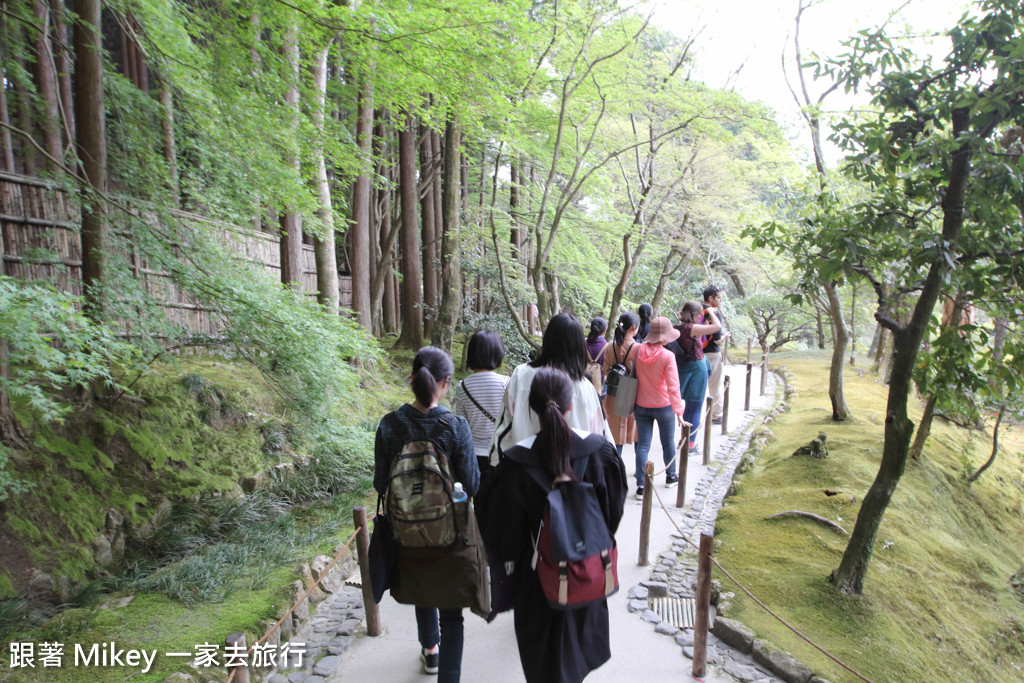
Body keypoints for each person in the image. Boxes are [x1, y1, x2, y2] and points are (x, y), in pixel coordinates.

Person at [476, 368, 627, 683]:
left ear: (531, 408)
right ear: (571, 405)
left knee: (545, 667)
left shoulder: (514, 465)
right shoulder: (600, 453)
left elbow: (501, 538)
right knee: (576, 661)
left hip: (537, 586)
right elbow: (611, 515)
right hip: (587, 573)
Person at [374, 346, 479, 681]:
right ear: (445, 383)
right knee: (452, 613)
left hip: (405, 532)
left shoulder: (389, 425)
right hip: (448, 531)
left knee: (423, 587)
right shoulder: (455, 426)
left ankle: (429, 650)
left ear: (412, 377)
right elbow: (472, 483)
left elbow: (380, 484)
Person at [488, 313, 612, 464]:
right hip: (573, 479)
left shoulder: (521, 375)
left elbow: (504, 429)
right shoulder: (585, 389)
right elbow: (601, 440)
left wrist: (495, 468)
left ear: (547, 340)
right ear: (579, 346)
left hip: (523, 475)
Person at [632, 316, 684, 498]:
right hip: (664, 406)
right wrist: (679, 412)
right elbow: (673, 386)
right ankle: (671, 477)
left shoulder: (637, 351)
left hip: (641, 404)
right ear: (664, 338)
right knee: (667, 442)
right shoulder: (668, 356)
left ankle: (640, 485)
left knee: (643, 446)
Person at [666, 301, 721, 451]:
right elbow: (717, 327)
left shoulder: (676, 327)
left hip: (681, 367)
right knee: (695, 406)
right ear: (695, 314)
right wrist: (709, 311)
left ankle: (674, 439)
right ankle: (689, 444)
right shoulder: (692, 328)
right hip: (696, 368)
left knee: (676, 403)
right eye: (699, 315)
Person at [455, 330, 509, 476]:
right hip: (502, 452)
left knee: (480, 497)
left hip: (475, 454)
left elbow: (461, 425)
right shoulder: (506, 383)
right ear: (498, 353)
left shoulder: (462, 386)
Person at [601, 312, 639, 456]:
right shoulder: (637, 348)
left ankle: (615, 467)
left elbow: (605, 369)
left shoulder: (609, 346)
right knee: (637, 434)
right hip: (632, 394)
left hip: (613, 392)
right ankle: (640, 471)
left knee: (614, 434)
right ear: (634, 327)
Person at [701, 286, 730, 425]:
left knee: (697, 387)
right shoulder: (714, 313)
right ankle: (716, 415)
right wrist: (725, 336)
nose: (720, 301)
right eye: (719, 298)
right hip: (712, 353)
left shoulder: (695, 310)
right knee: (715, 386)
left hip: (697, 353)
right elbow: (717, 339)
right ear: (710, 298)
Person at [585, 317, 609, 390]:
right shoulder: (608, 347)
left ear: (591, 329)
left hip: (583, 380)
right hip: (600, 383)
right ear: (605, 331)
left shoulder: (583, 344)